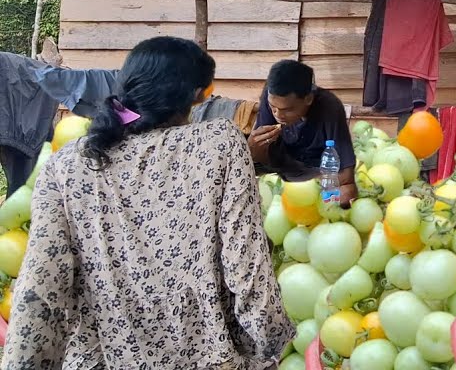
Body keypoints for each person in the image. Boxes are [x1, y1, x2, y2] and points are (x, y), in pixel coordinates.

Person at [1, 37, 292, 369]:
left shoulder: (66, 163)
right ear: (196, 96)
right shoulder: (219, 143)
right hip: (205, 359)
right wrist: (270, 339)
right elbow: (247, 263)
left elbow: (40, 286)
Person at [251, 59, 358, 205]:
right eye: (273, 107)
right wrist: (253, 148)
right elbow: (264, 159)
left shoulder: (329, 107)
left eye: (287, 110)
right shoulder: (271, 97)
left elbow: (346, 176)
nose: (278, 115)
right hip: (280, 174)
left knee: (347, 194)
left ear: (308, 99)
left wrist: (307, 187)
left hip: (315, 177)